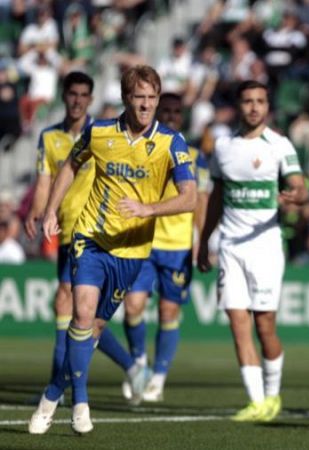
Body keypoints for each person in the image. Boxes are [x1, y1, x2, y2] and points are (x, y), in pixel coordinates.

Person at [28, 65, 198, 435]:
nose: (147, 105)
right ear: (126, 98)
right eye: (140, 98)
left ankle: (53, 392)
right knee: (82, 313)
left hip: (133, 252)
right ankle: (82, 402)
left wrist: (149, 209)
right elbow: (72, 166)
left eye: (152, 98)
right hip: (90, 238)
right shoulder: (100, 131)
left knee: (95, 329)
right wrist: (52, 210)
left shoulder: (172, 142)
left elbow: (189, 198)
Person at [198, 80, 308, 422]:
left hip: (265, 248)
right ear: (239, 105)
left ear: (267, 106)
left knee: (265, 327)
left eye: (260, 101)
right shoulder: (223, 146)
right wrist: (204, 241)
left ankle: (273, 395)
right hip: (230, 246)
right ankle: (257, 401)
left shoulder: (279, 144)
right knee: (237, 322)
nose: (254, 107)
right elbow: (216, 197)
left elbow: (300, 187)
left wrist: (294, 197)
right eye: (248, 101)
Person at [119, 92, 211, 402]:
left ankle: (158, 378)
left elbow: (201, 202)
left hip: (178, 246)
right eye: (166, 111)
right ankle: (138, 365)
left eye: (176, 111)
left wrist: (203, 241)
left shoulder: (196, 156)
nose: (170, 116)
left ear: (182, 116)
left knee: (168, 311)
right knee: (133, 306)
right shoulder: (144, 148)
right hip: (142, 239)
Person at [24, 71, 96, 400]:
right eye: (73, 94)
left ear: (90, 99)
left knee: (67, 298)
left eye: (84, 94)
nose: (78, 100)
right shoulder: (49, 137)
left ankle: (59, 384)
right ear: (64, 96)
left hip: (94, 228)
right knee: (76, 307)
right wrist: (37, 212)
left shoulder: (100, 134)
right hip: (64, 227)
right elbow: (44, 181)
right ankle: (130, 366)